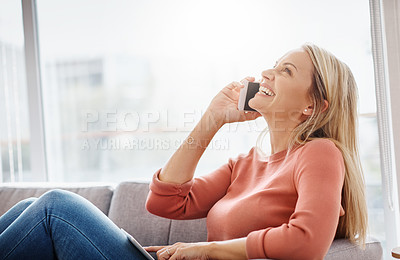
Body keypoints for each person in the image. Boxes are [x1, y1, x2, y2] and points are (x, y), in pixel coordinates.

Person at [0, 43, 367, 260]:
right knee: (26, 208)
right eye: (272, 65)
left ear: (314, 106)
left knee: (57, 208)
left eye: (285, 71)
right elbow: (165, 203)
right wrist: (212, 119)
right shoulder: (245, 164)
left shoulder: (319, 154)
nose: (267, 72)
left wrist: (206, 251)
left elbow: (306, 243)